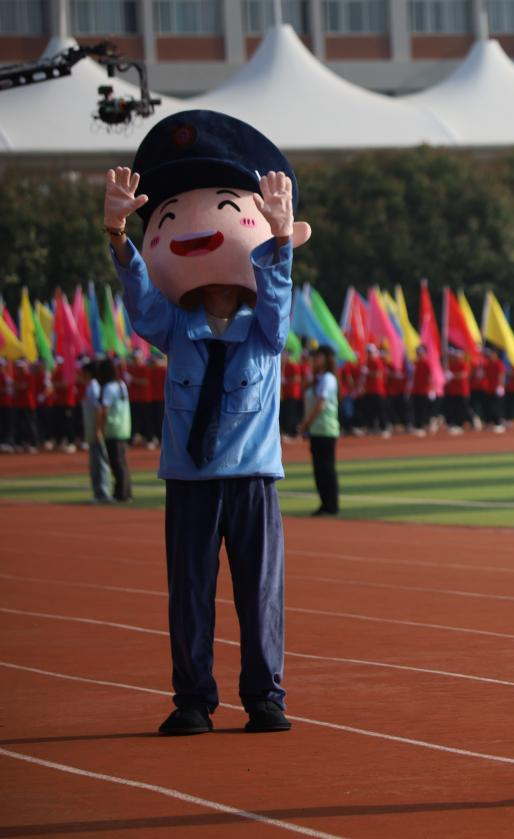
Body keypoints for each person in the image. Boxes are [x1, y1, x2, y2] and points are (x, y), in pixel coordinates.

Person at [106, 110, 309, 736]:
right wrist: (117, 234)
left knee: (259, 594)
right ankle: (193, 699)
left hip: (252, 479)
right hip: (190, 479)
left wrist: (279, 238)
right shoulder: (176, 328)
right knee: (190, 593)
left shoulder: (266, 334)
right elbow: (141, 298)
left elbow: (277, 294)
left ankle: (264, 697)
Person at [298, 345, 339, 517]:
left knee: (326, 468)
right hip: (317, 430)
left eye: (318, 356)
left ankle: (331, 505)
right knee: (319, 469)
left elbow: (320, 404)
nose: (315, 359)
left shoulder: (328, 379)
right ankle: (324, 503)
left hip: (325, 429)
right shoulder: (317, 378)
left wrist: (305, 423)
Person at [96, 356, 133, 502]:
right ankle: (127, 492)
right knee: (122, 462)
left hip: (112, 428)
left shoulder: (108, 388)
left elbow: (104, 410)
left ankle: (120, 494)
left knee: (116, 462)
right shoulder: (121, 384)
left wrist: (99, 429)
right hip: (124, 426)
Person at [78, 359, 111, 502]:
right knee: (94, 463)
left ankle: (102, 492)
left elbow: (99, 409)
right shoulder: (91, 387)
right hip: (92, 430)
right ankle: (98, 492)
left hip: (96, 431)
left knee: (99, 462)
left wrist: (98, 430)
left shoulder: (94, 387)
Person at [444, 346, 472, 434]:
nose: (455, 358)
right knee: (453, 409)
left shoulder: (463, 364)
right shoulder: (451, 365)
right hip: (453, 391)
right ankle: (455, 424)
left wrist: (453, 376)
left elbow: (464, 374)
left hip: (462, 391)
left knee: (461, 409)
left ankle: (460, 425)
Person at [481, 347, 507, 433]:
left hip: (497, 389)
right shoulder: (488, 363)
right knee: (489, 407)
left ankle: (499, 423)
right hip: (489, 389)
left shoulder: (499, 364)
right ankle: (491, 423)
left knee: (496, 407)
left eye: (493, 354)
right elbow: (484, 374)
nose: (491, 356)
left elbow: (501, 375)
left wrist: (500, 386)